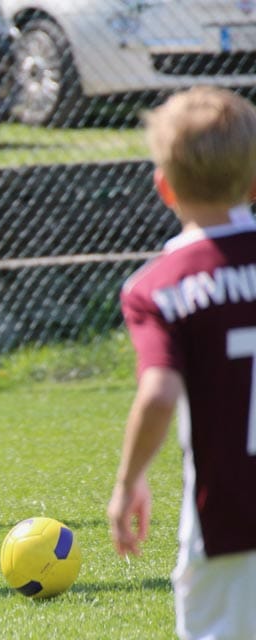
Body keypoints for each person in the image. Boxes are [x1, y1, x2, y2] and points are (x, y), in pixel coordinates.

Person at [107, 86, 256, 639]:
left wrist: (129, 482)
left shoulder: (158, 287)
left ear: (164, 187)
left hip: (230, 521)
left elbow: (159, 393)